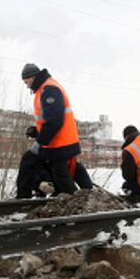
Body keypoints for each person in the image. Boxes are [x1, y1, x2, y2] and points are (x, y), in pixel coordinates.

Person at [21, 63, 89, 195]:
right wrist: (37, 132)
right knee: (70, 171)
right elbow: (51, 120)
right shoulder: (45, 88)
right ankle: (88, 194)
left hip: (61, 143)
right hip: (63, 142)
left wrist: (39, 142)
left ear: (32, 77)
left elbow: (54, 121)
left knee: (61, 177)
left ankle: (80, 202)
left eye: (26, 82)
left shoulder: (49, 89)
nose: (27, 85)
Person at [16, 125, 92, 198]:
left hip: (60, 192)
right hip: (45, 188)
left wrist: (89, 192)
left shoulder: (68, 158)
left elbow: (81, 179)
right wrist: (38, 184)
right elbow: (25, 178)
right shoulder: (32, 157)